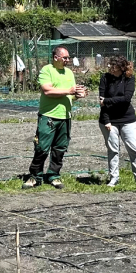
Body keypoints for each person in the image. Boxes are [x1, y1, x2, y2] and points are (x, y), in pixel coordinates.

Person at [24, 46, 86, 189]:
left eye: (68, 57)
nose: (67, 60)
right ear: (56, 57)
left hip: (65, 116)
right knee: (41, 148)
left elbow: (71, 95)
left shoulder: (69, 73)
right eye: (65, 57)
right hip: (49, 116)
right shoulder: (47, 70)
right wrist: (69, 90)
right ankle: (35, 176)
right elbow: (47, 90)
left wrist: (78, 95)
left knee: (60, 149)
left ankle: (54, 175)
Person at [99, 56, 136, 187]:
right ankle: (114, 178)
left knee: (134, 148)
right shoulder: (105, 78)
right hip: (109, 121)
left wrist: (107, 101)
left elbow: (126, 99)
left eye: (114, 67)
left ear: (121, 68)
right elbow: (101, 101)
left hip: (127, 119)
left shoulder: (129, 79)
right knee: (113, 150)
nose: (111, 69)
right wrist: (106, 120)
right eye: (110, 66)